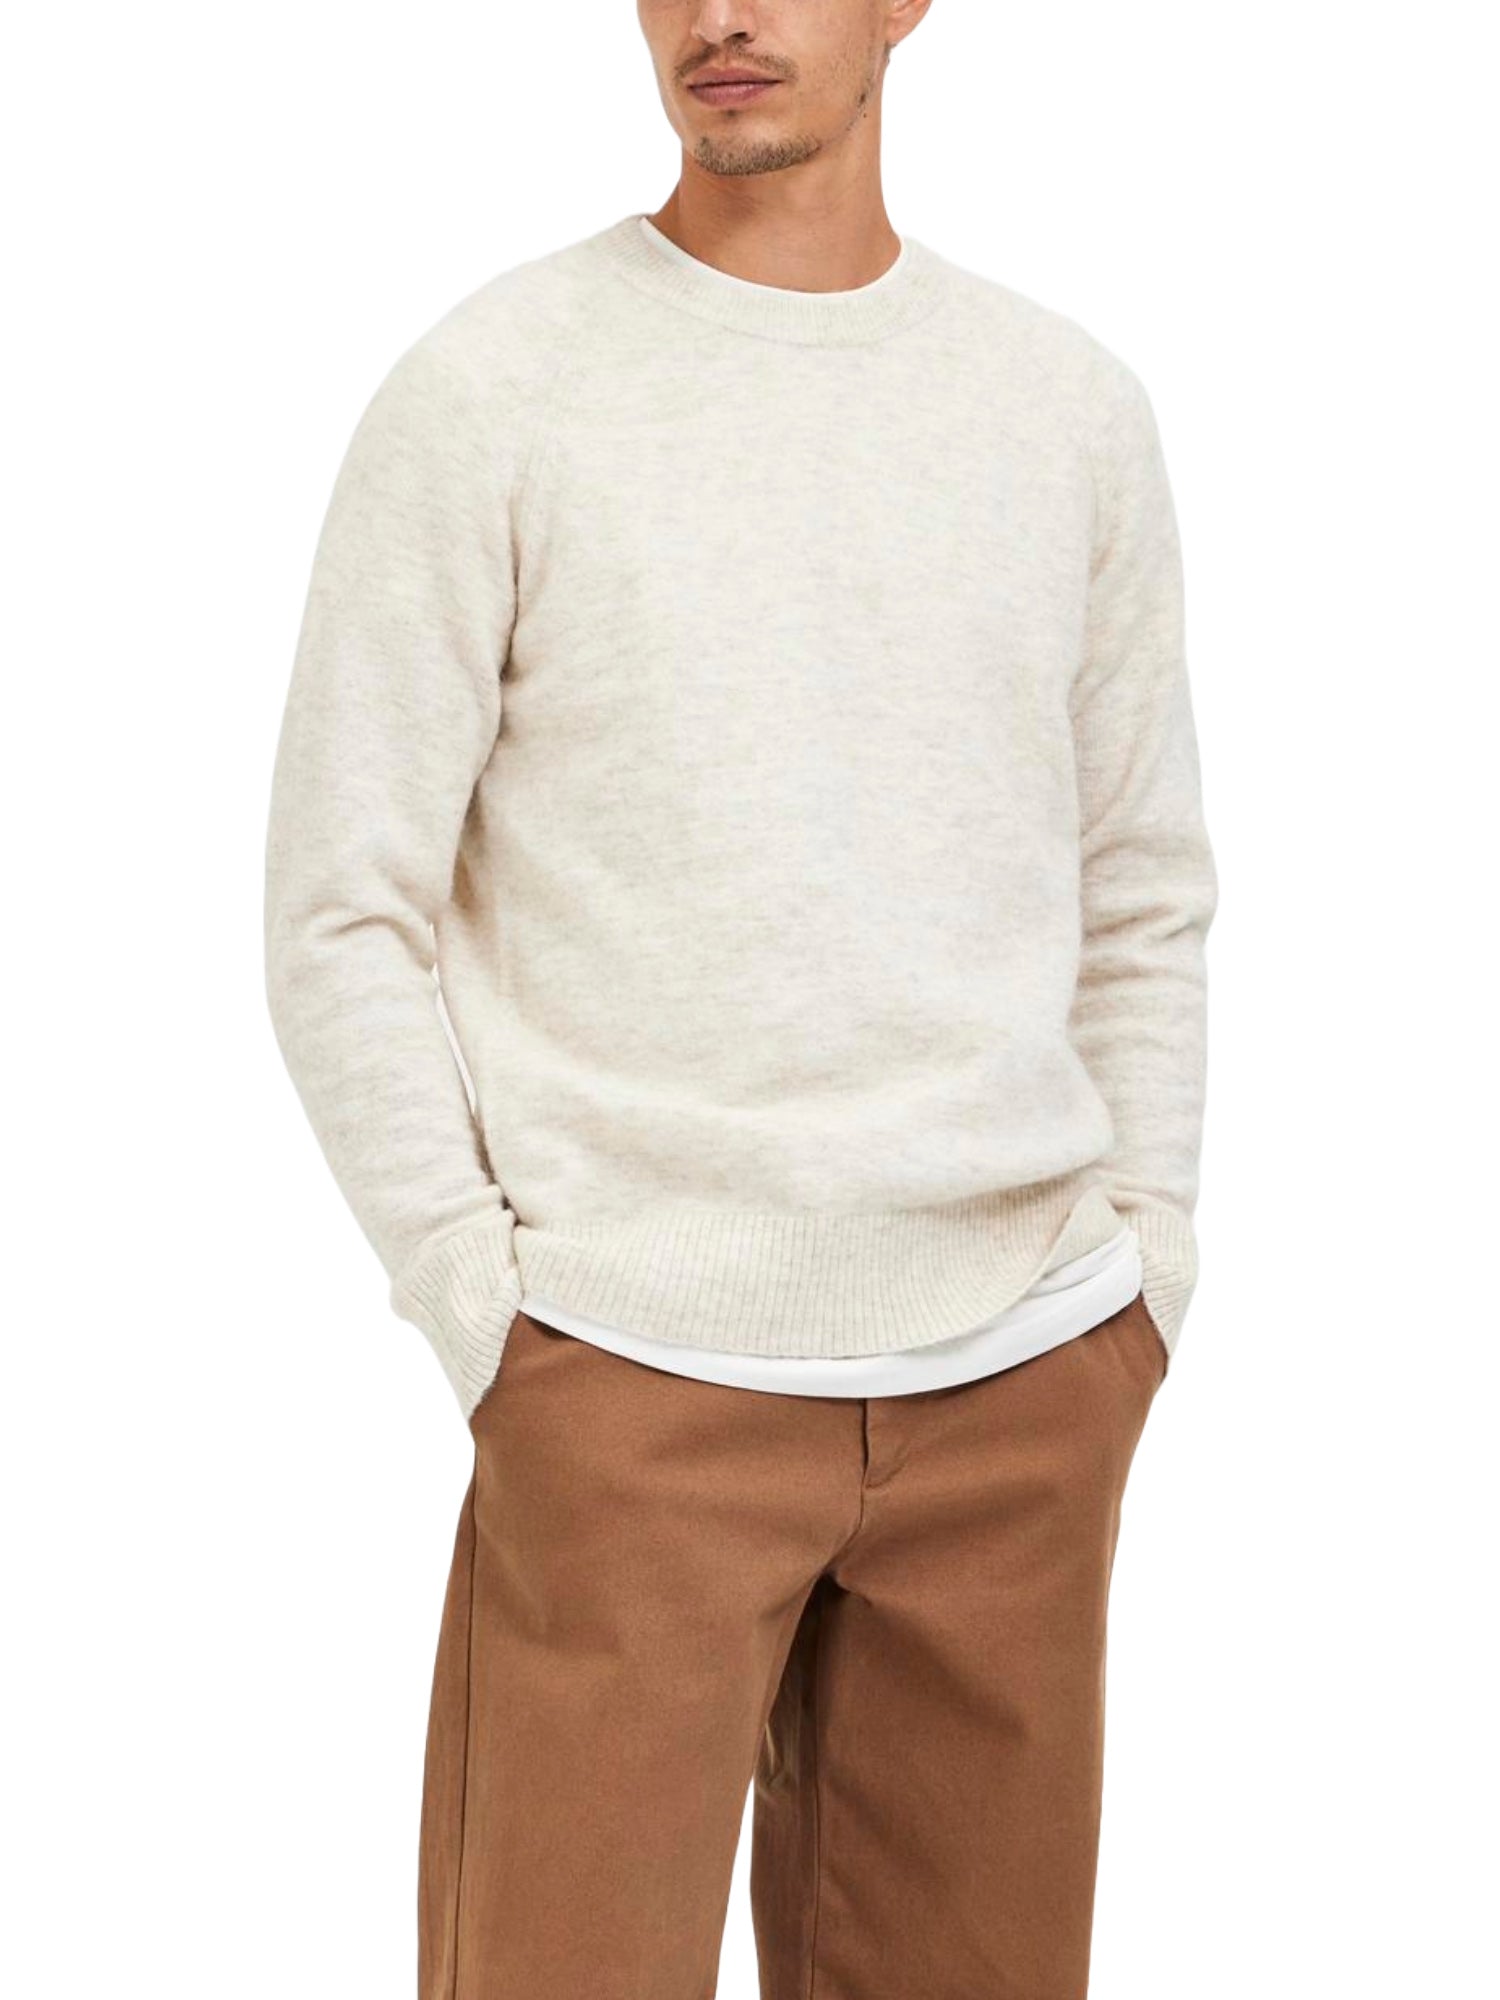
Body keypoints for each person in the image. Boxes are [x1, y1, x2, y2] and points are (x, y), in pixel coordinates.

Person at [262, 2, 1218, 1993]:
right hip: (630, 1378)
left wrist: (1141, 1280)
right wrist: (486, 1309)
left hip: (1023, 1385)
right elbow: (343, 904)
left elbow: (1141, 888)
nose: (718, 15)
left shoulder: (1065, 410)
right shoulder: (494, 389)